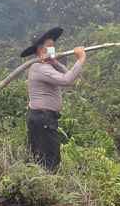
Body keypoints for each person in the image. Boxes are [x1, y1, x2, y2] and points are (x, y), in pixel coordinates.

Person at [20, 27, 86, 172]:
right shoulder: (40, 68)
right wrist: (81, 59)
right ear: (40, 50)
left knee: (40, 158)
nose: (53, 50)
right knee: (50, 159)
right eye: (50, 47)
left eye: (53, 47)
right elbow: (67, 80)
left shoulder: (47, 66)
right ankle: (44, 189)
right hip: (42, 119)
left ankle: (37, 186)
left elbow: (68, 74)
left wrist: (55, 61)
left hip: (41, 118)